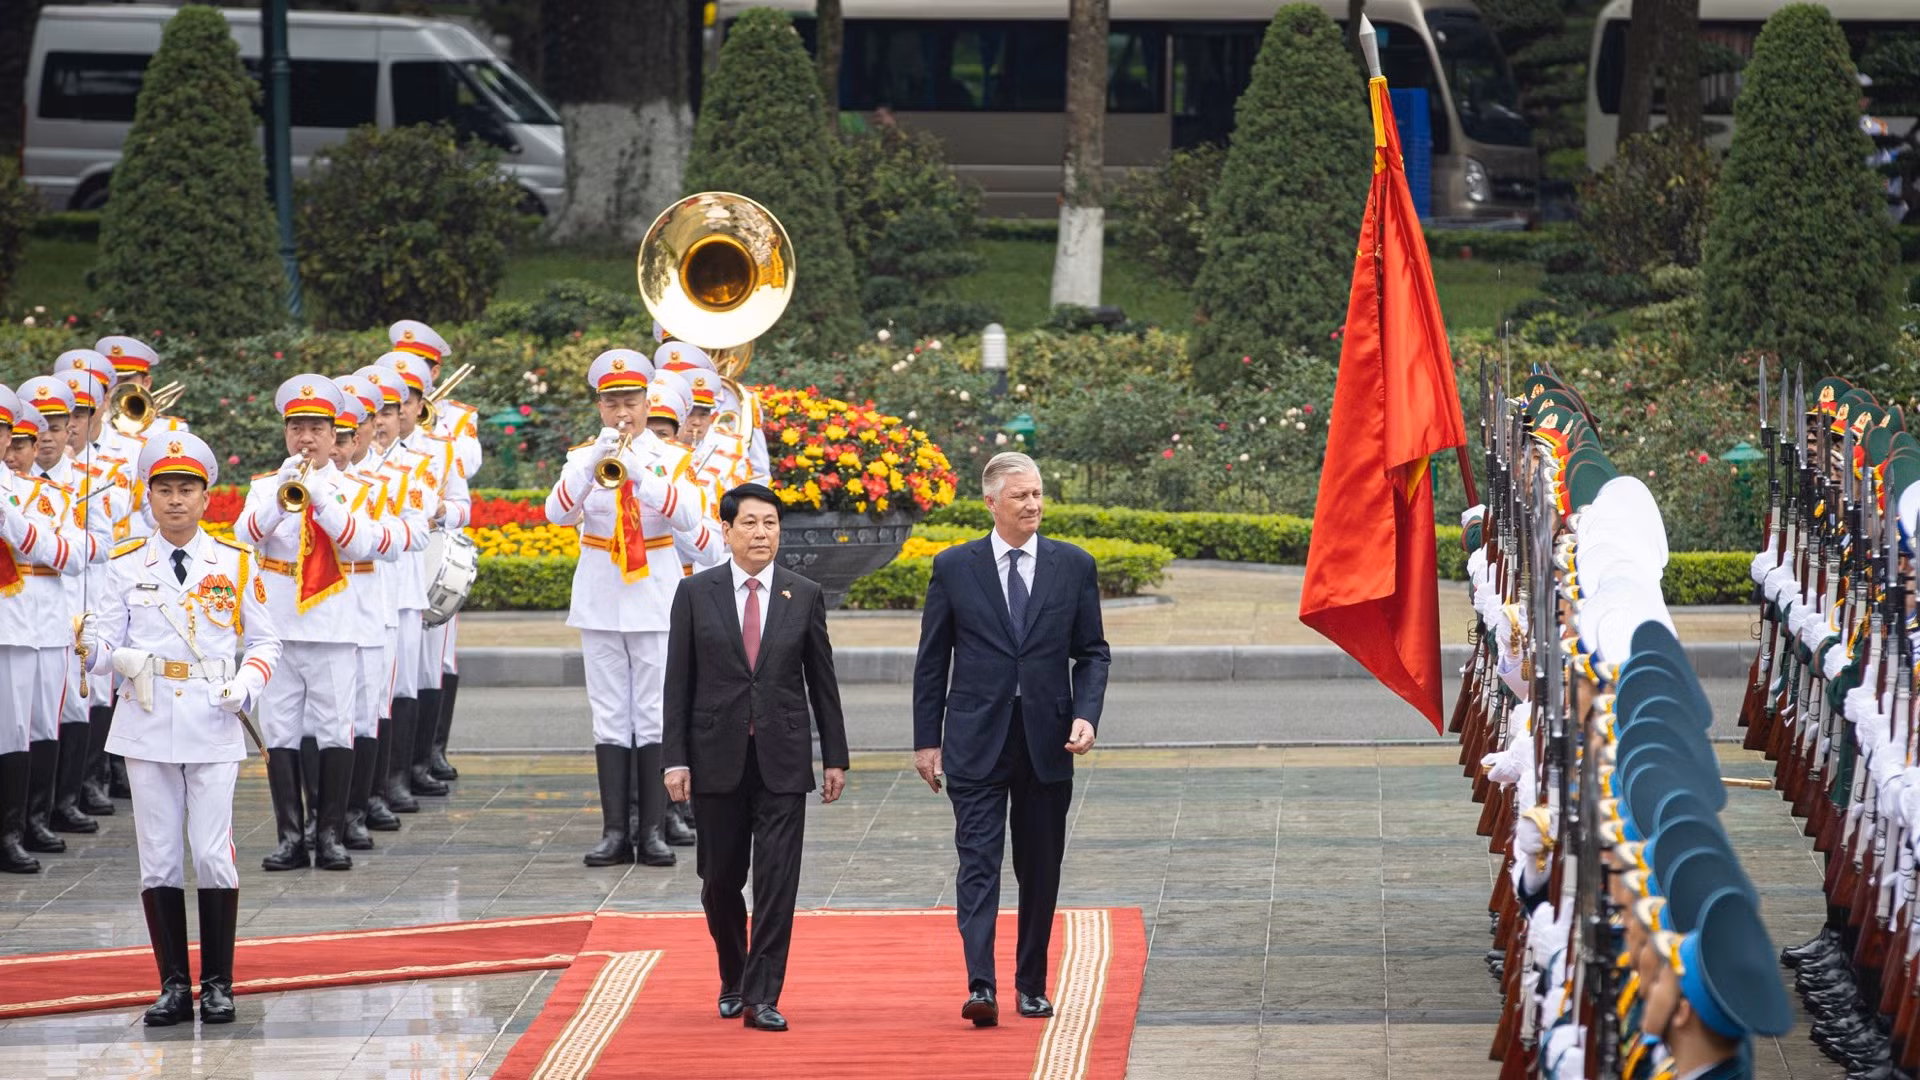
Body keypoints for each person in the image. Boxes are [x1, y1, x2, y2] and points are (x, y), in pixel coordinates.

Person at [78, 432, 278, 1026]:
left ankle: (218, 983)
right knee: (159, 856)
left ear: (206, 497)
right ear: (149, 496)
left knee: (213, 853)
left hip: (213, 720)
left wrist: (245, 687)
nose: (174, 500)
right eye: (163, 489)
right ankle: (171, 985)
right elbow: (105, 644)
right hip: (146, 716)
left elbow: (265, 640)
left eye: (185, 489)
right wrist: (93, 649)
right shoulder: (122, 567)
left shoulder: (236, 564)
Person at [912, 451, 1110, 1026]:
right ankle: (982, 985)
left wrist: (1087, 714)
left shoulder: (1072, 565)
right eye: (1021, 496)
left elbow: (1092, 653)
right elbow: (932, 663)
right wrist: (928, 741)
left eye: (1038, 494)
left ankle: (1030, 984)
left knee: (1040, 867)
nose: (1034, 504)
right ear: (991, 503)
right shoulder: (955, 567)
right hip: (975, 739)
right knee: (977, 863)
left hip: (1048, 743)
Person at [662, 482, 849, 1032]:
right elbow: (678, 683)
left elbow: (823, 681)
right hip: (714, 757)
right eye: (749, 523)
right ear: (726, 530)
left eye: (770, 523)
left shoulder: (803, 593)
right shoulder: (696, 594)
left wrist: (833, 756)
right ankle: (733, 974)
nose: (761, 533)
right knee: (720, 879)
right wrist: (675, 759)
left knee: (776, 880)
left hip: (783, 760)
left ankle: (763, 994)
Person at [547, 349, 710, 869]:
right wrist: (593, 465)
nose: (623, 411)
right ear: (600, 405)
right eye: (613, 401)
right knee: (611, 717)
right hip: (599, 596)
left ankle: (655, 828)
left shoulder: (674, 458)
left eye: (631, 401)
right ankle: (615, 830)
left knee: (655, 715)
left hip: (655, 596)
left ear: (646, 402)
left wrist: (641, 471)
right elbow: (556, 512)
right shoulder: (583, 456)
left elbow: (690, 518)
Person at [234, 376, 405, 872]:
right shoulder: (266, 485)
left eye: (315, 429)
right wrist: (281, 494)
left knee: (334, 730)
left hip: (333, 625)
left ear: (336, 436)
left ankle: (328, 834)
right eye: (296, 428)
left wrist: (320, 499)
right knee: (281, 732)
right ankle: (290, 837)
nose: (305, 439)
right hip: (278, 625)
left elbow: (360, 544)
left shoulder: (358, 488)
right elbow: (245, 535)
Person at [0, 391, 88, 874]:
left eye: (9, 438)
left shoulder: (53, 496)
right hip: (8, 621)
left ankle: (33, 819)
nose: (8, 449)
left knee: (41, 725)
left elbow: (74, 556)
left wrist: (19, 529)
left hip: (48, 619)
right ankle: (9, 832)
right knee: (10, 730)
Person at [391, 320, 479, 785]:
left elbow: (464, 493)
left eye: (408, 396)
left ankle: (426, 757)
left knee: (431, 665)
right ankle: (396, 771)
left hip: (428, 566)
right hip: (382, 570)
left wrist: (440, 508)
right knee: (391, 676)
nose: (398, 408)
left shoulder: (446, 437)